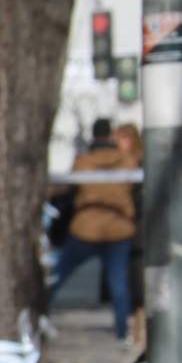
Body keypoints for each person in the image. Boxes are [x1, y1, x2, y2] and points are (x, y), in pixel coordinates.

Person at [50, 118, 137, 341]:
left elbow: (69, 189)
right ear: (110, 135)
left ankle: (38, 314)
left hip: (85, 229)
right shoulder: (127, 161)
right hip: (119, 230)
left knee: (57, 276)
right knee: (118, 283)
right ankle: (122, 331)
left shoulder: (82, 162)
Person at [113, 123, 147, 345]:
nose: (119, 144)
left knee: (138, 283)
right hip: (124, 231)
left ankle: (138, 330)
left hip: (138, 231)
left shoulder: (138, 163)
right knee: (128, 282)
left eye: (123, 139)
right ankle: (133, 329)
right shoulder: (120, 163)